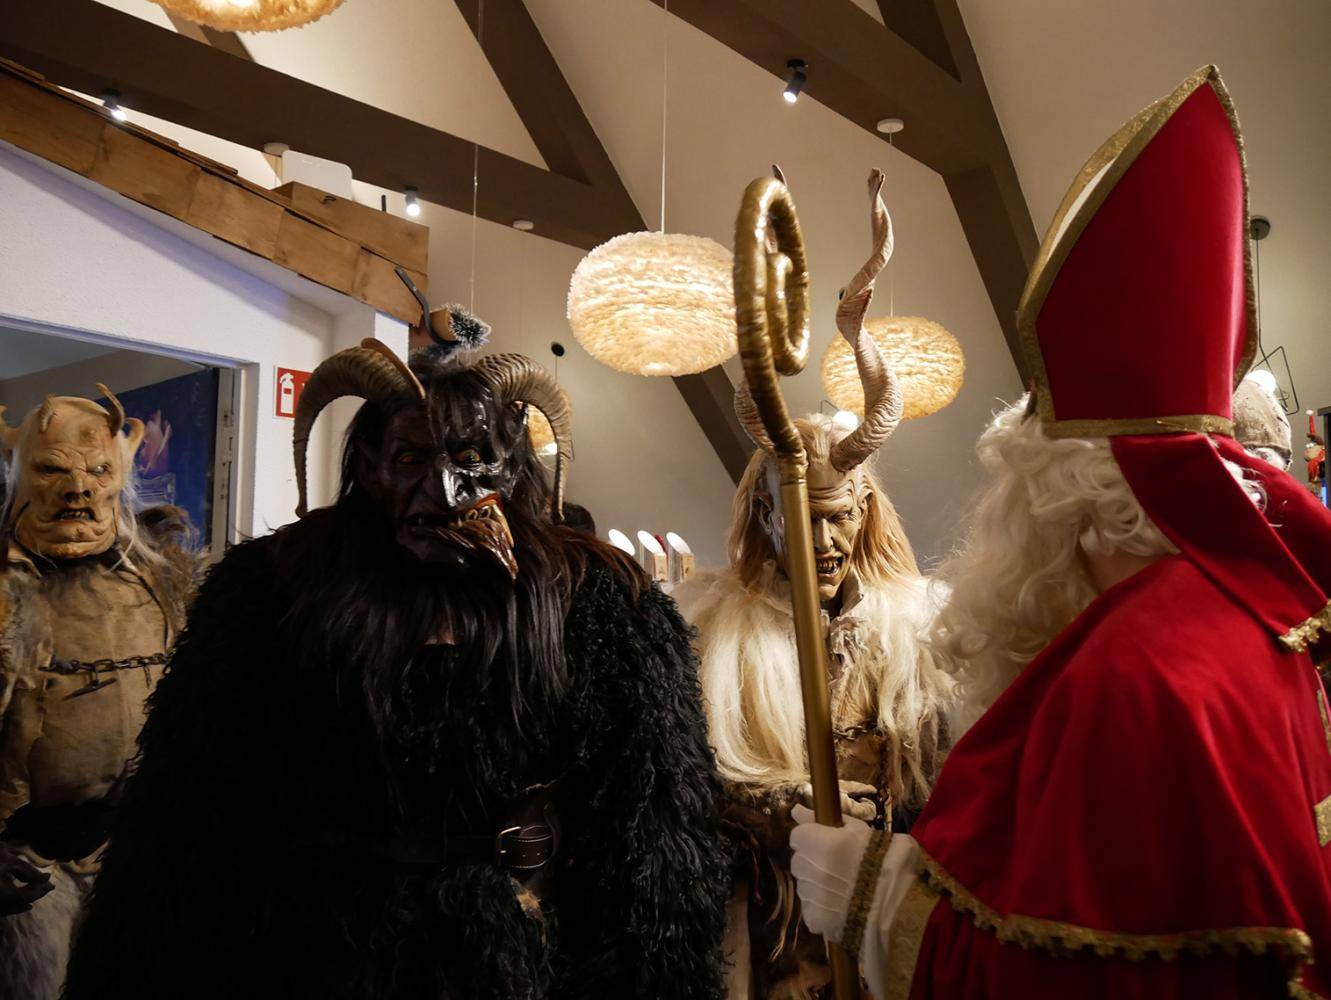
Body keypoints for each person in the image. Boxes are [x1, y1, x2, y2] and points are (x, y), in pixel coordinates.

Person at [787, 65, 1331, 998]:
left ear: (1053, 501)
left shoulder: (1133, 674)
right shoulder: (1248, 624)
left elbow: (1070, 974)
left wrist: (872, 901)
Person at [64, 309, 729, 999]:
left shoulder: (599, 601)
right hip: (320, 954)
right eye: (411, 460)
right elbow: (191, 813)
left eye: (470, 461)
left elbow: (654, 831)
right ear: (369, 465)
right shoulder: (271, 588)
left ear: (510, 468)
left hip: (521, 952)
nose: (442, 489)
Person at [674, 172, 953, 999]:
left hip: (876, 910)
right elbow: (688, 779)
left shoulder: (915, 634)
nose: (822, 543)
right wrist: (781, 802)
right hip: (772, 921)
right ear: (765, 518)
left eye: (838, 519)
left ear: (864, 514)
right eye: (802, 520)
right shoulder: (715, 634)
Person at [0, 388, 196, 1000]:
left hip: (133, 851)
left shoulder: (167, 586)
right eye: (52, 469)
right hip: (27, 866)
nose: (77, 490)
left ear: (121, 476)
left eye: (98, 471)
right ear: (20, 475)